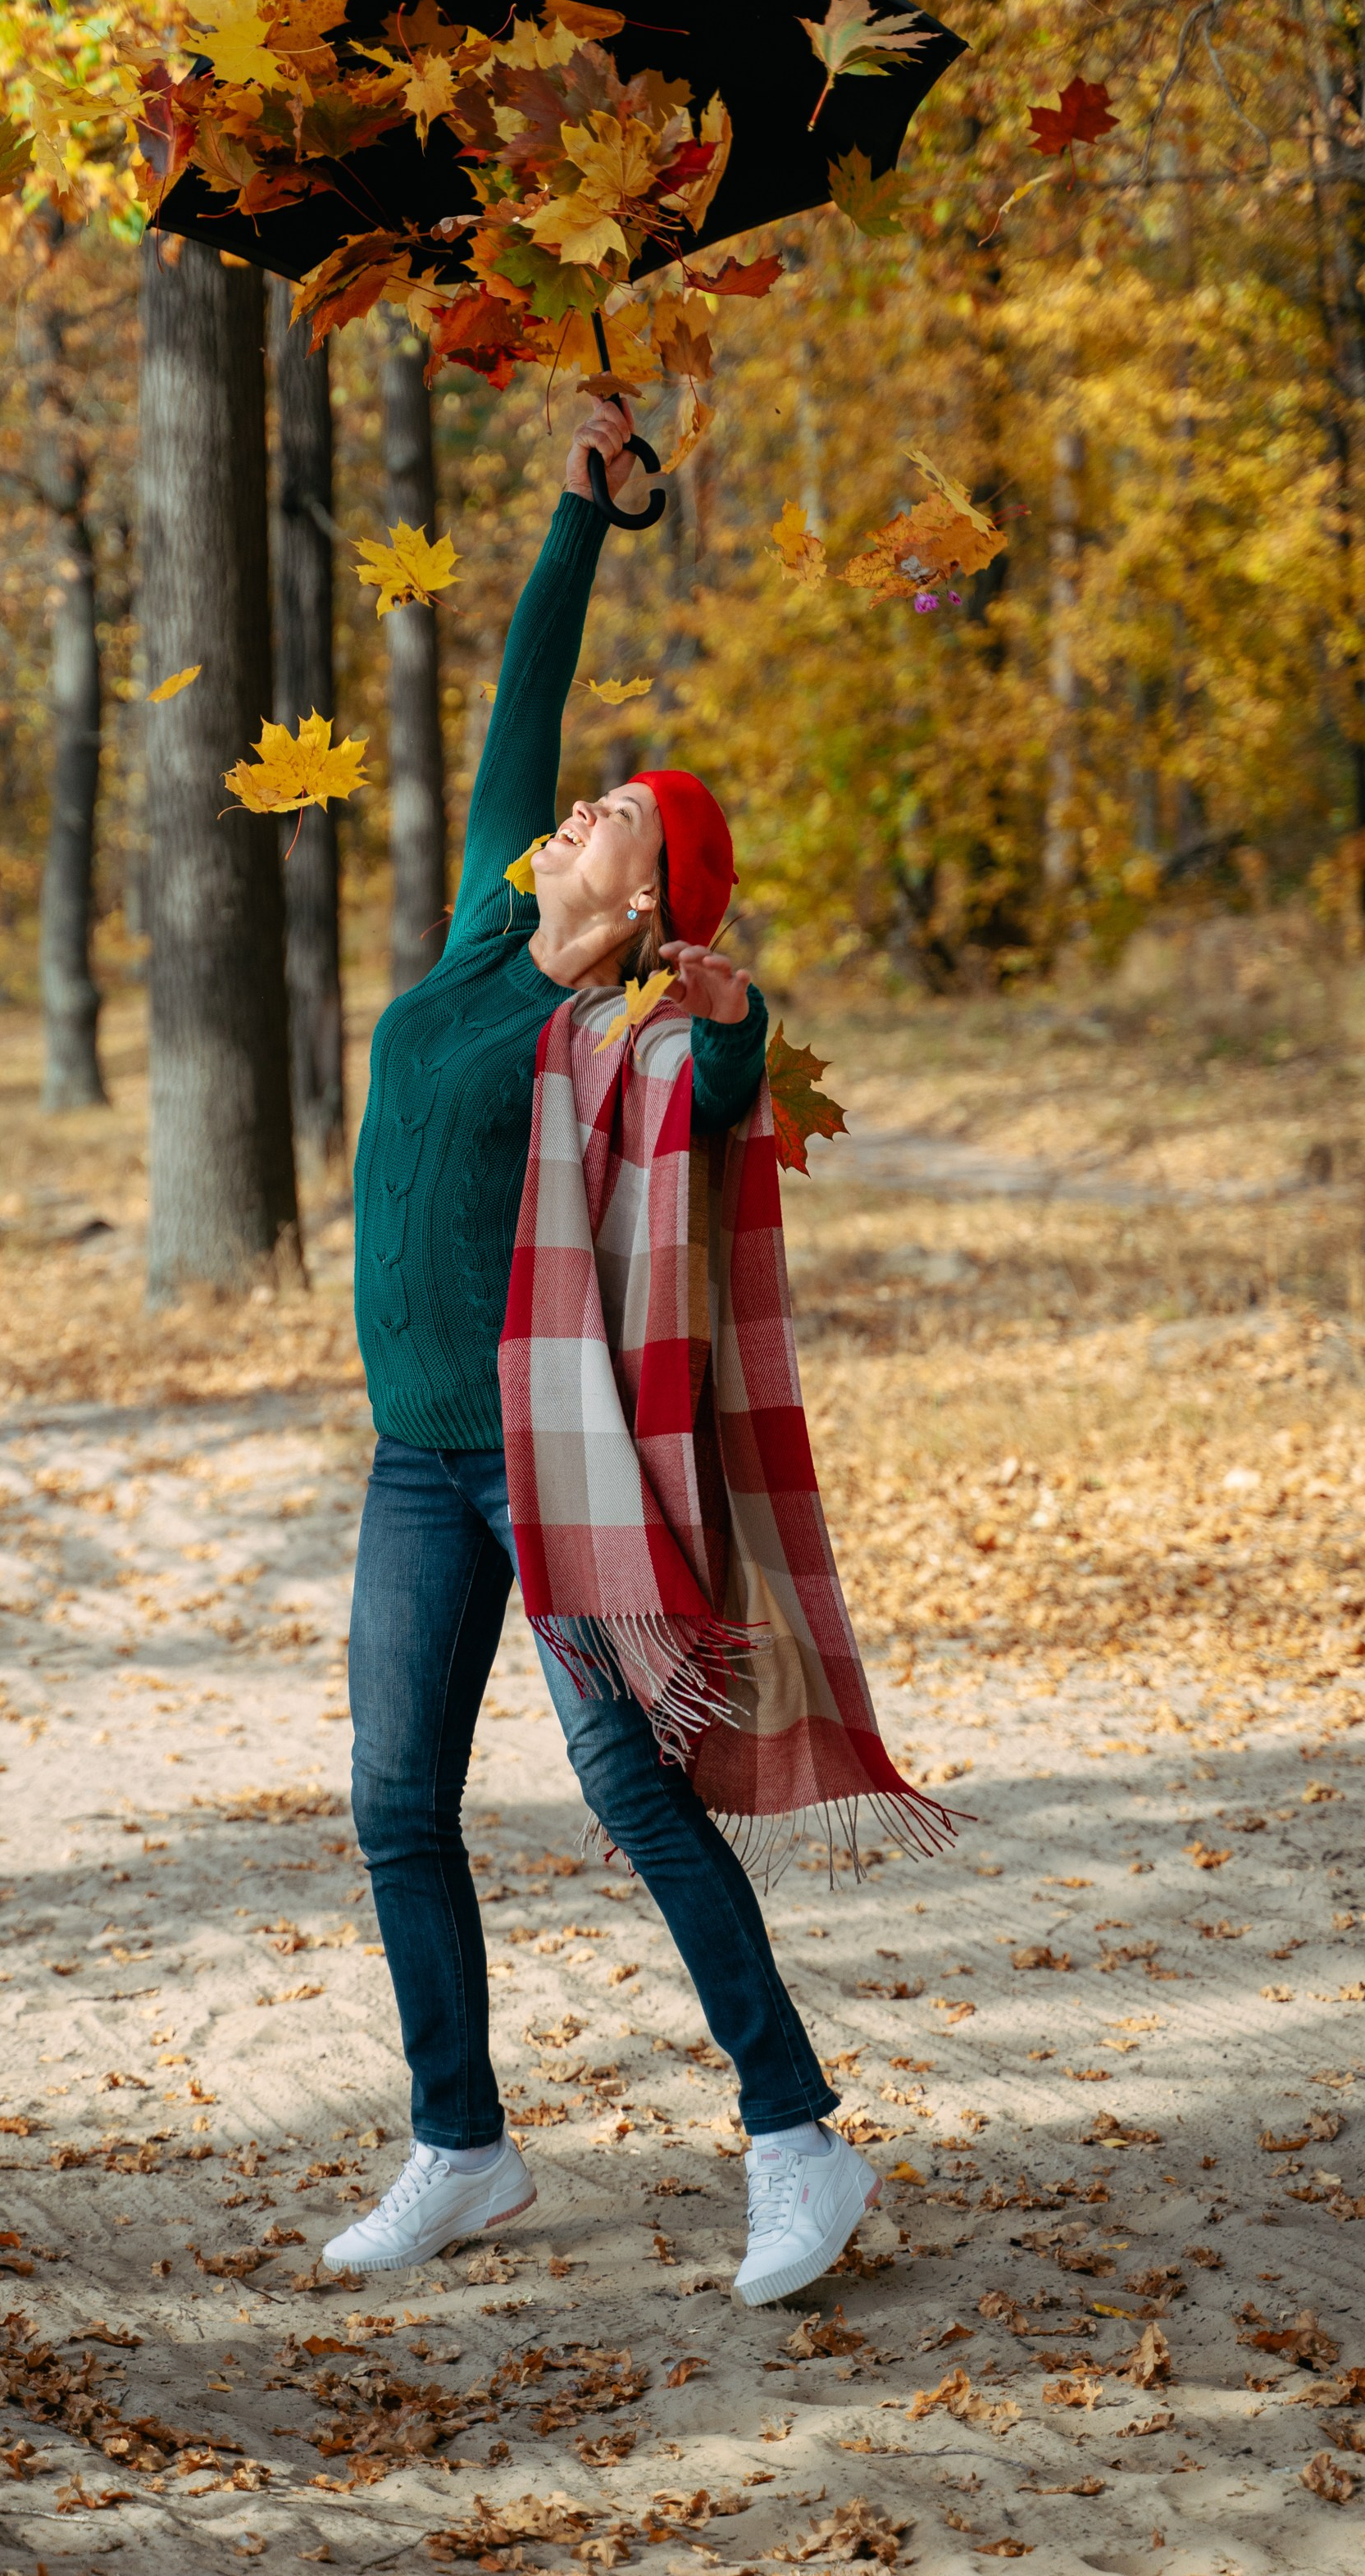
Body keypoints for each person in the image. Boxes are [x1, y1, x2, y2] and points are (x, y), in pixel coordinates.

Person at [327, 400, 881, 2305]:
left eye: (616, 818)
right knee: (395, 1802)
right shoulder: (489, 941)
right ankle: (459, 2148)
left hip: (535, 1459)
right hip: (415, 1457)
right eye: (589, 801)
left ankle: (801, 2138)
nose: (575, 811)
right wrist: (581, 520)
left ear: (644, 901)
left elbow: (709, 1103)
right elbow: (517, 711)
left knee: (632, 1789)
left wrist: (728, 1026)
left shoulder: (623, 1041)